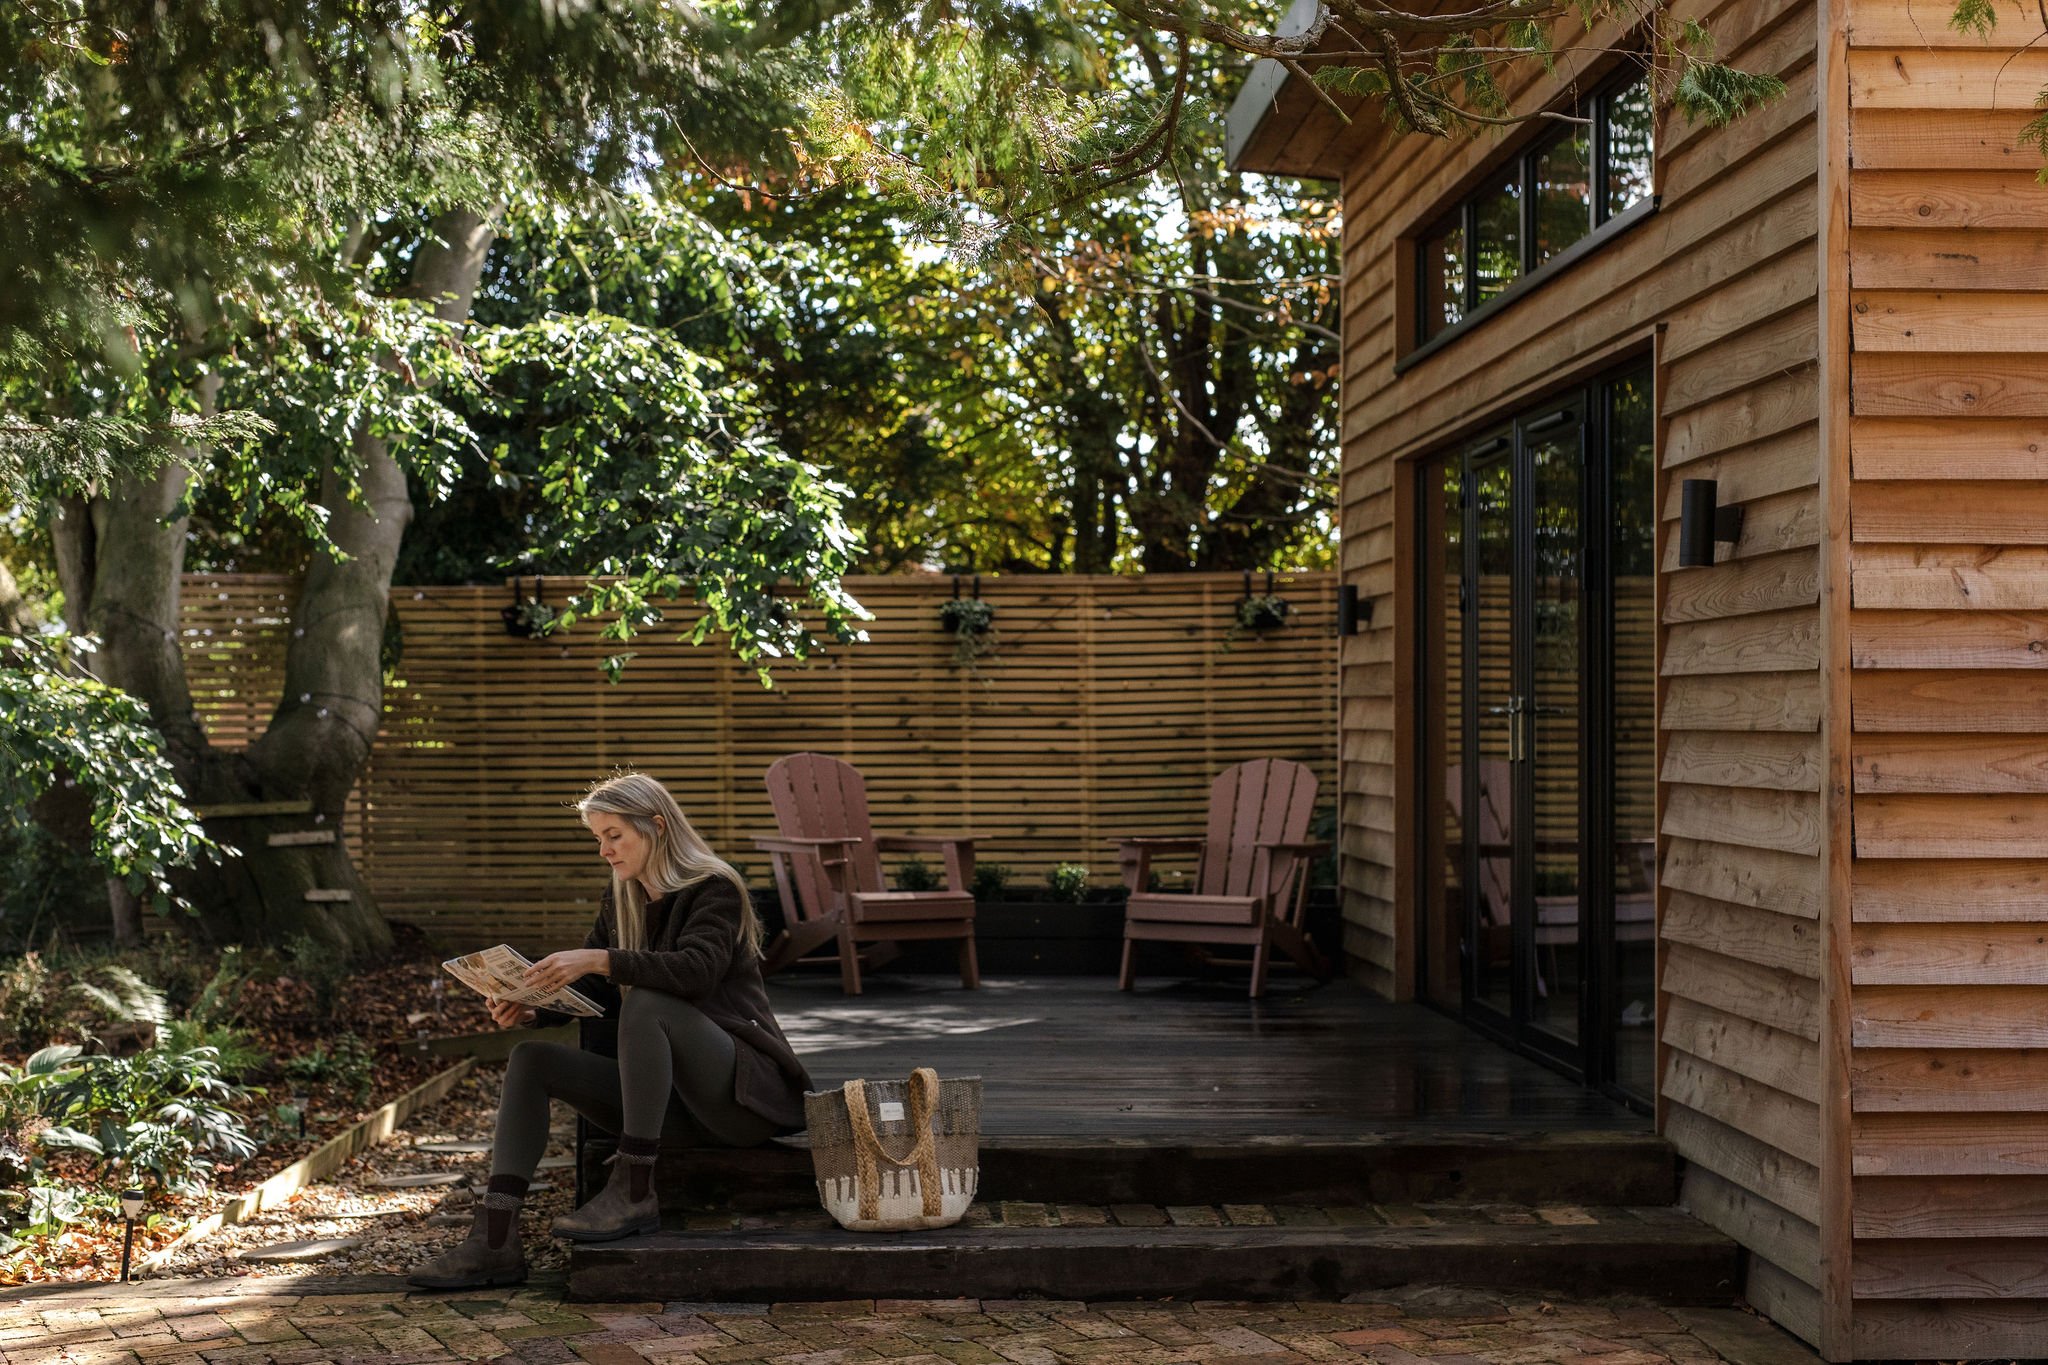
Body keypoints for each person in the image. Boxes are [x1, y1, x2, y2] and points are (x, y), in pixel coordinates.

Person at [407, 772, 813, 1290]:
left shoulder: (715, 889)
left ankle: (634, 1188)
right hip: (667, 1103)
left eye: (613, 835)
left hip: (738, 1098)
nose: (604, 850)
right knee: (532, 1058)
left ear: (657, 827)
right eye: (598, 838)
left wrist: (600, 958)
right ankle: (494, 1239)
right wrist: (533, 1009)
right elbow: (598, 997)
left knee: (648, 1000)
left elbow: (695, 971)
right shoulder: (622, 896)